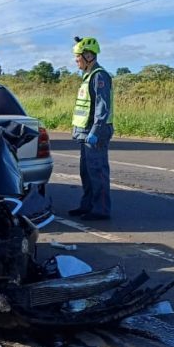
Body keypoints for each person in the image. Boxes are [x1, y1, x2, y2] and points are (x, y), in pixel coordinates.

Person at [68, 36, 113, 221]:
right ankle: (87, 205)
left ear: (88, 56)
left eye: (78, 57)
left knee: (97, 171)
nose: (76, 61)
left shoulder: (99, 76)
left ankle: (101, 209)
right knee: (86, 172)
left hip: (96, 132)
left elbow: (102, 107)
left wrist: (95, 131)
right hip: (85, 132)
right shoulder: (87, 77)